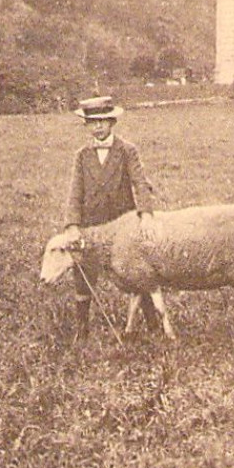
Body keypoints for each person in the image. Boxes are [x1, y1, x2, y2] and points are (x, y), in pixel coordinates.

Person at [62, 96, 160, 332]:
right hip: (92, 223)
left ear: (112, 122)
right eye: (92, 122)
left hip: (122, 226)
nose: (98, 127)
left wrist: (145, 213)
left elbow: (140, 183)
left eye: (103, 121)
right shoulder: (82, 155)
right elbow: (75, 191)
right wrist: (73, 224)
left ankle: (153, 325)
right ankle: (82, 328)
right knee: (83, 274)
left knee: (138, 273)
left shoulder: (127, 151)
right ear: (86, 125)